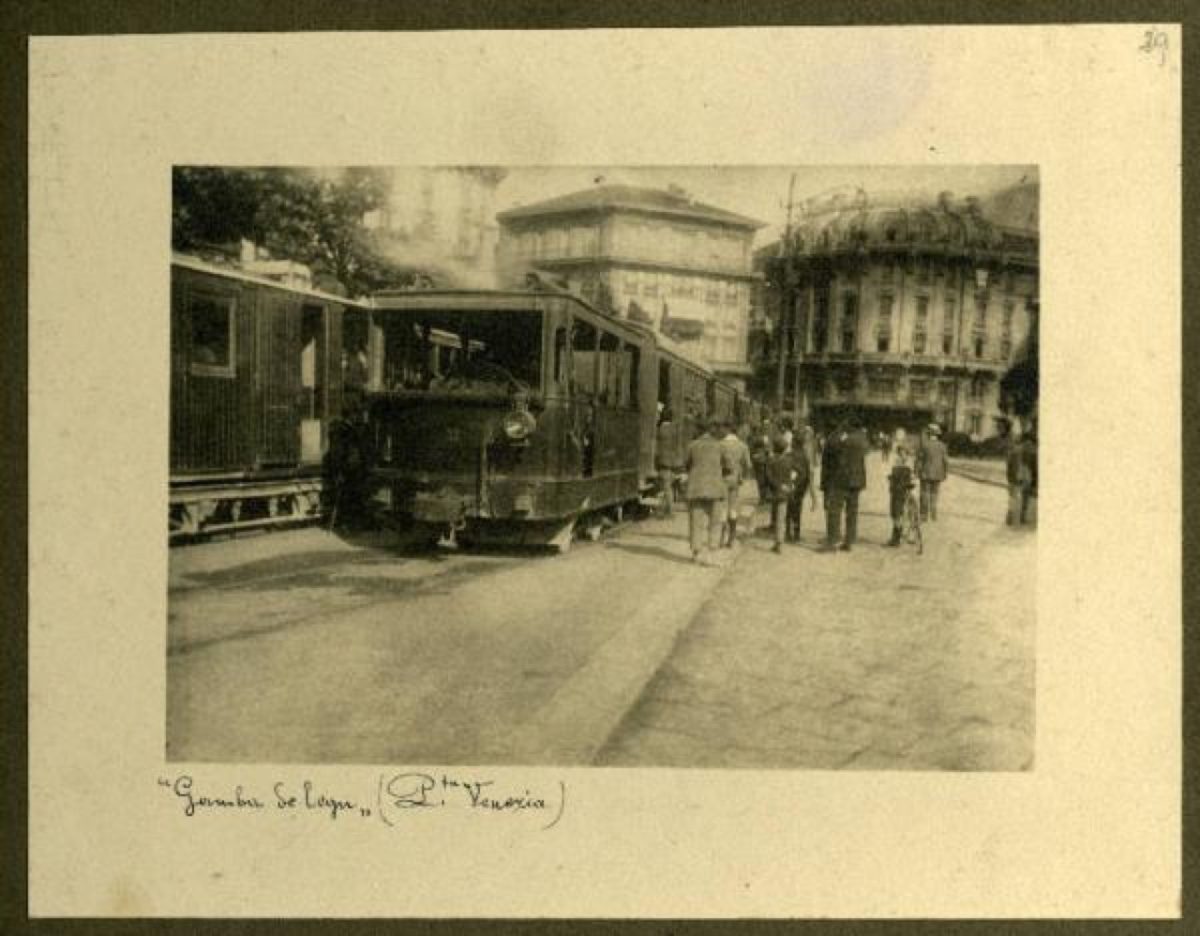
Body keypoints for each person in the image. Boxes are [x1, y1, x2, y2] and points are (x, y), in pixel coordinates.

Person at [685, 418, 733, 565]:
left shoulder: (692, 446)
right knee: (715, 522)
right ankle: (712, 553)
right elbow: (729, 466)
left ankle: (696, 553)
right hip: (715, 488)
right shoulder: (720, 446)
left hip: (696, 488)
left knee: (696, 521)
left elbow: (686, 464)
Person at [718, 420, 754, 547]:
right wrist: (742, 473)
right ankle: (731, 538)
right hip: (735, 480)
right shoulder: (743, 445)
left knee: (722, 507)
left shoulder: (720, 444)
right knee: (733, 508)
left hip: (722, 479)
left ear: (727, 430)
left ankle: (721, 538)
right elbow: (748, 465)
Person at [765, 435, 797, 553]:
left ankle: (777, 542)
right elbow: (793, 474)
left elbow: (768, 477)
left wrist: (777, 485)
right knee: (781, 518)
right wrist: (789, 484)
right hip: (785, 492)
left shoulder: (771, 461)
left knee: (776, 516)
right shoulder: (789, 461)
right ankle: (779, 541)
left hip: (775, 492)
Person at [786, 424, 817, 541]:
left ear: (793, 443)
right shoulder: (805, 456)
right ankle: (796, 533)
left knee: (789, 507)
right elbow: (809, 472)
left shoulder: (789, 455)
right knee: (798, 507)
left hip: (791, 484)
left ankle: (788, 532)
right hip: (802, 485)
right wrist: (812, 491)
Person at [885, 440, 916, 546]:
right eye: (901, 452)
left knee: (896, 513)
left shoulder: (896, 463)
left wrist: (890, 478)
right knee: (901, 513)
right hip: (905, 490)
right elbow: (912, 479)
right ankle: (900, 535)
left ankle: (896, 538)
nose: (901, 454)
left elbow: (891, 476)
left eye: (902, 452)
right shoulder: (910, 463)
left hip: (898, 491)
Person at [916, 423, 949, 521]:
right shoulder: (942, 446)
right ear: (937, 434)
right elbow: (946, 461)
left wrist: (916, 471)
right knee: (935, 494)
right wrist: (945, 472)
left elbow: (919, 459)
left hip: (925, 473)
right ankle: (934, 514)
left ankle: (924, 515)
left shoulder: (924, 445)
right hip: (938, 474)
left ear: (929, 434)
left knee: (924, 493)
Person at [1006, 426, 1037, 525]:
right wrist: (1035, 482)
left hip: (1015, 475)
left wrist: (1009, 478)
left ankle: (1010, 516)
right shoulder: (1033, 451)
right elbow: (1035, 467)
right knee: (1025, 497)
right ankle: (1022, 517)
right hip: (1027, 475)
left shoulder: (1014, 450)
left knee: (1013, 497)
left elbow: (1009, 464)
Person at [655, 408, 683, 518]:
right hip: (674, 462)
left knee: (666, 487)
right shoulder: (675, 429)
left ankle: (670, 512)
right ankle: (665, 510)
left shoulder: (660, 430)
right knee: (669, 487)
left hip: (664, 462)